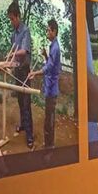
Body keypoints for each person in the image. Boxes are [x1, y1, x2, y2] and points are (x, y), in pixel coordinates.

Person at [29, 19, 60, 148]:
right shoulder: (52, 46)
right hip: (49, 89)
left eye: (48, 30)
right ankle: (48, 145)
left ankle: (50, 147)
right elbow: (50, 63)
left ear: (54, 31)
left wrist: (35, 73)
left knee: (49, 120)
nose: (47, 32)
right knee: (48, 118)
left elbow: (49, 68)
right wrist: (45, 56)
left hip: (52, 90)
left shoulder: (56, 48)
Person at [7, 1, 33, 149]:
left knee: (26, 103)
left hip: (25, 71)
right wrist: (8, 63)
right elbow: (15, 57)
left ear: (18, 17)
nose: (11, 22)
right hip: (17, 70)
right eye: (10, 19)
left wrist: (12, 53)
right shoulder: (13, 34)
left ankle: (29, 136)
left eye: (12, 19)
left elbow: (23, 51)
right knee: (19, 100)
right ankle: (23, 125)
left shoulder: (25, 31)